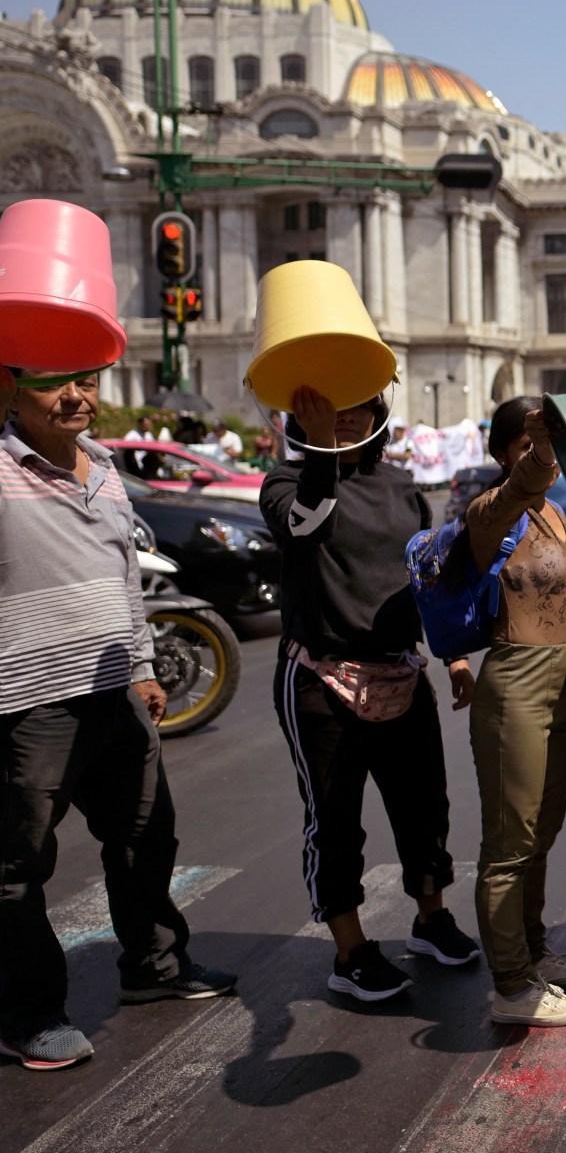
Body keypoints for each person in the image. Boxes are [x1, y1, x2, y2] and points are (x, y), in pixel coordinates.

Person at [0, 367, 236, 1071]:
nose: (77, 395)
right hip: (28, 701)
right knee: (16, 867)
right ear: (9, 389)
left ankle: (155, 967)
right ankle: (27, 1016)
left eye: (87, 380)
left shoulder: (103, 465)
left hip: (113, 692)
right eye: (52, 382)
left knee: (144, 837)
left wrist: (139, 667)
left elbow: (123, 576)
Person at [260, 388, 481, 1003]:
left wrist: (454, 653)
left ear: (379, 413)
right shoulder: (286, 482)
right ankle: (351, 951)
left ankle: (431, 918)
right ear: (297, 413)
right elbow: (308, 527)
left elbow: (425, 576)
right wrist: (322, 447)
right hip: (321, 678)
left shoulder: (402, 486)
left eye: (360, 400)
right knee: (334, 820)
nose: (347, 411)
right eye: (333, 401)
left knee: (424, 808)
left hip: (401, 672)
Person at [463, 396, 566, 1028]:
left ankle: (534, 952)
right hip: (515, 677)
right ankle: (512, 985)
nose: (542, 452)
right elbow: (520, 483)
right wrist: (542, 448)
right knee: (509, 842)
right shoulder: (493, 511)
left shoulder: (555, 511)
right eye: (527, 442)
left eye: (548, 440)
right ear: (501, 451)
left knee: (542, 831)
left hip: (561, 682)